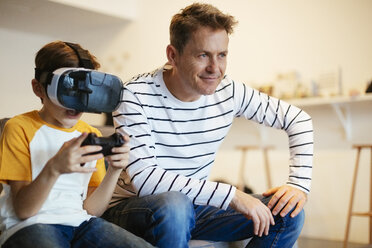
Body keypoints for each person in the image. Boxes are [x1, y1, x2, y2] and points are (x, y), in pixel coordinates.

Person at [102, 3, 313, 248]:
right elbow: (145, 179)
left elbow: (298, 119)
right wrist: (233, 196)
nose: (215, 68)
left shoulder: (228, 91)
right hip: (134, 210)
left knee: (288, 215)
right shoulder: (135, 95)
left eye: (221, 55)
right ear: (173, 55)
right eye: (203, 55)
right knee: (175, 204)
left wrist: (299, 185)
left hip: (195, 207)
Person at [0, 41, 154, 248]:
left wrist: (115, 170)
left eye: (85, 92)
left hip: (81, 223)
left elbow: (92, 210)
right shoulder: (19, 127)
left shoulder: (90, 134)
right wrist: (54, 168)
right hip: (31, 224)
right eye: (68, 91)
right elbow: (23, 211)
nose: (77, 103)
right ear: (39, 88)